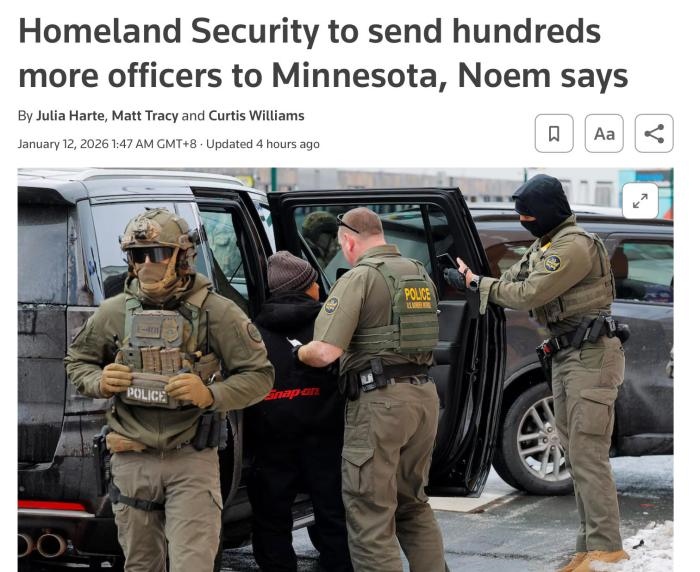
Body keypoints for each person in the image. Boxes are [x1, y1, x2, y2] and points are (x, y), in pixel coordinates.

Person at [65, 208, 274, 572]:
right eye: (138, 255)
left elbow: (259, 376)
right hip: (131, 458)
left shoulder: (217, 313)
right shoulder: (114, 312)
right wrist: (100, 380)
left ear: (182, 256)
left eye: (158, 253)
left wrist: (211, 395)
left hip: (191, 459)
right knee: (140, 565)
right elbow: (77, 362)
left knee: (192, 564)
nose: (147, 263)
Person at [445, 175, 629, 572]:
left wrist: (479, 284)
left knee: (588, 455)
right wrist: (471, 279)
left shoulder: (573, 246)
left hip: (590, 357)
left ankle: (606, 549)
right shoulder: (546, 244)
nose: (523, 221)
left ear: (546, 210)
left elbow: (531, 293)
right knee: (575, 455)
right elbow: (512, 280)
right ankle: (590, 548)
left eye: (527, 215)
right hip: (568, 356)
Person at [297, 207, 448, 572]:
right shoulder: (418, 273)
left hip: (380, 404)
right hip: (423, 397)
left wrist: (295, 352)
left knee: (370, 512)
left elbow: (325, 352)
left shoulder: (359, 278)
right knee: (413, 505)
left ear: (349, 241)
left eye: (341, 246)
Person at [246, 250, 352, 572]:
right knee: (334, 516)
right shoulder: (329, 325)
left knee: (271, 520)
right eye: (315, 282)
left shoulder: (253, 329)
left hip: (271, 439)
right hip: (326, 438)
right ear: (308, 286)